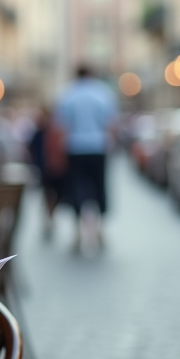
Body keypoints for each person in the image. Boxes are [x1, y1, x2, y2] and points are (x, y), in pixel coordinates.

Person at [54, 65, 117, 251]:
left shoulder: (68, 94)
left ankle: (78, 233)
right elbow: (111, 123)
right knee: (100, 188)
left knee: (76, 189)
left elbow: (61, 127)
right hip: (98, 147)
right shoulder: (103, 93)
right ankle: (100, 231)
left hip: (75, 149)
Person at [28, 107, 67, 240]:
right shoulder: (39, 133)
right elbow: (31, 148)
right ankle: (48, 218)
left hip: (57, 170)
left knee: (58, 196)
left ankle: (51, 214)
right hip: (44, 169)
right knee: (47, 195)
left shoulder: (57, 132)